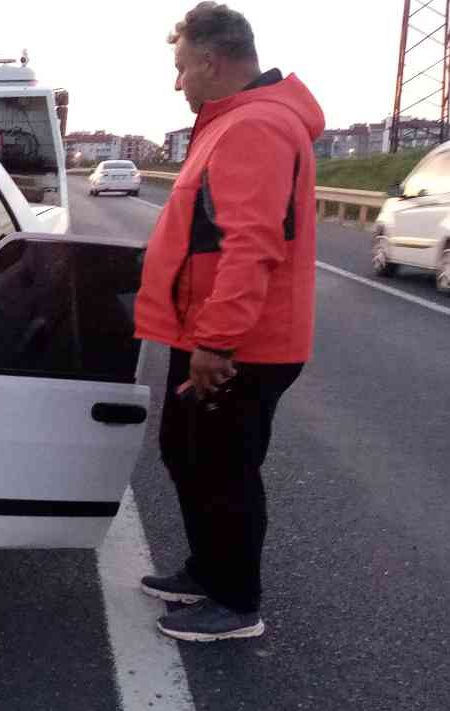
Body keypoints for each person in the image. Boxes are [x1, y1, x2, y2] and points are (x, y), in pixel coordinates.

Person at [133, 3, 324, 641]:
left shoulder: (255, 127)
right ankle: (207, 572)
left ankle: (237, 603)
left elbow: (252, 245)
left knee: (222, 467)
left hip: (242, 346)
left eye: (182, 67)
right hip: (213, 336)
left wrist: (217, 343)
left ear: (212, 62)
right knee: (186, 454)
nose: (178, 81)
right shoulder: (233, 122)